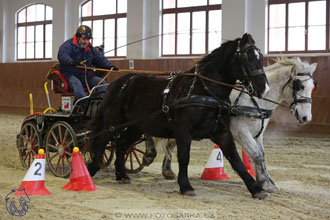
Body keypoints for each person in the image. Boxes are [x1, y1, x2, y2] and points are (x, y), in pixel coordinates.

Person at [57, 25, 118, 106]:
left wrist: (110, 66)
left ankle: (100, 105)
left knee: (102, 83)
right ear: (78, 38)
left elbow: (100, 59)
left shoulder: (90, 48)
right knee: (77, 85)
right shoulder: (67, 46)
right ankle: (84, 107)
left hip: (86, 75)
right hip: (70, 74)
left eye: (88, 39)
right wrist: (71, 62)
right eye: (84, 39)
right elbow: (62, 55)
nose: (86, 42)